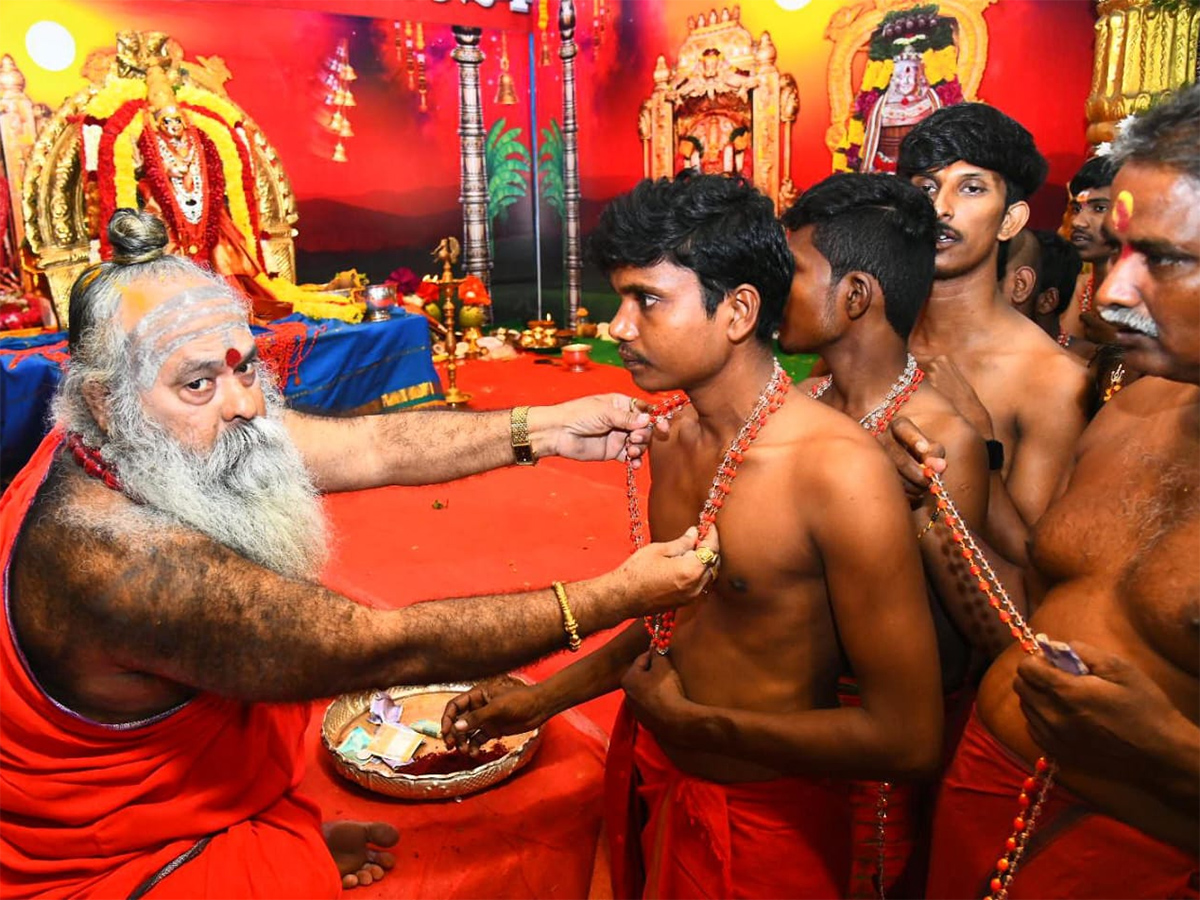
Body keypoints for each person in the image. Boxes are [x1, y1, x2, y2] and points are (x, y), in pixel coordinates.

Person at [0, 210, 718, 899]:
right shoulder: (116, 560)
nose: (245, 404)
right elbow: (383, 646)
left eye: (246, 368)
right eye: (199, 383)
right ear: (102, 404)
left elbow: (372, 446)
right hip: (118, 860)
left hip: (179, 802)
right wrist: (618, 594)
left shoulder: (145, 438)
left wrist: (547, 426)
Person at [441, 175, 943, 899]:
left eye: (646, 299)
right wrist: (540, 700)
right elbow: (672, 624)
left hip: (768, 827)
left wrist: (703, 726)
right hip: (654, 771)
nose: (617, 326)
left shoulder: (838, 472)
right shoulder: (673, 439)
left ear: (738, 311)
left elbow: (911, 737)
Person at [898, 84, 1200, 899]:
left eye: (1163, 259)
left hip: (1131, 847)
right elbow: (1031, 597)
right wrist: (953, 478)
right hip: (982, 786)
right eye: (1111, 256)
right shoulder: (1131, 399)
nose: (1105, 295)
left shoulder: (1059, 383)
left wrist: (1171, 750)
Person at [780, 173, 990, 896]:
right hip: (787, 731)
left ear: (856, 295)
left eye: (795, 270)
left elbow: (982, 631)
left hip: (877, 755)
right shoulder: (797, 406)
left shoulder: (939, 436)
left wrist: (923, 509)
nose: (776, 286)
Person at [897, 103, 1089, 566]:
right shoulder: (876, 338)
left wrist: (982, 450)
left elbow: (1034, 561)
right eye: (926, 187)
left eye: (971, 188)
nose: (940, 208)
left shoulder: (1052, 378)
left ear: (1010, 220)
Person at [1058, 154, 1120, 356]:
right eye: (1077, 209)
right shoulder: (1075, 288)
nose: (1078, 222)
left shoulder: (1154, 297)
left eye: (1099, 208)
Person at [860, 46, 943, 174]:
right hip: (886, 173)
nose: (906, 80)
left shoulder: (932, 104)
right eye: (900, 74)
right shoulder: (879, 107)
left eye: (911, 74)